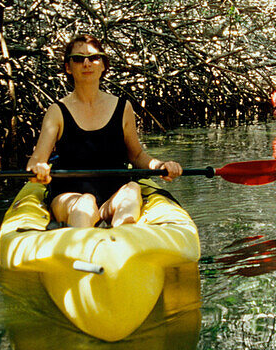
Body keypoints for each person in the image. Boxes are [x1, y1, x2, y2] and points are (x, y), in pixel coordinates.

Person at [26, 34, 183, 227]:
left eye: (94, 57)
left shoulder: (123, 108)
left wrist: (160, 166)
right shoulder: (57, 112)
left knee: (133, 188)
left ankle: (123, 237)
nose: (86, 63)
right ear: (68, 67)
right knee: (85, 202)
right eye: (78, 58)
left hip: (113, 195)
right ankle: (82, 246)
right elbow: (37, 159)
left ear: (103, 65)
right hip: (69, 198)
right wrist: (38, 168)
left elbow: (137, 155)